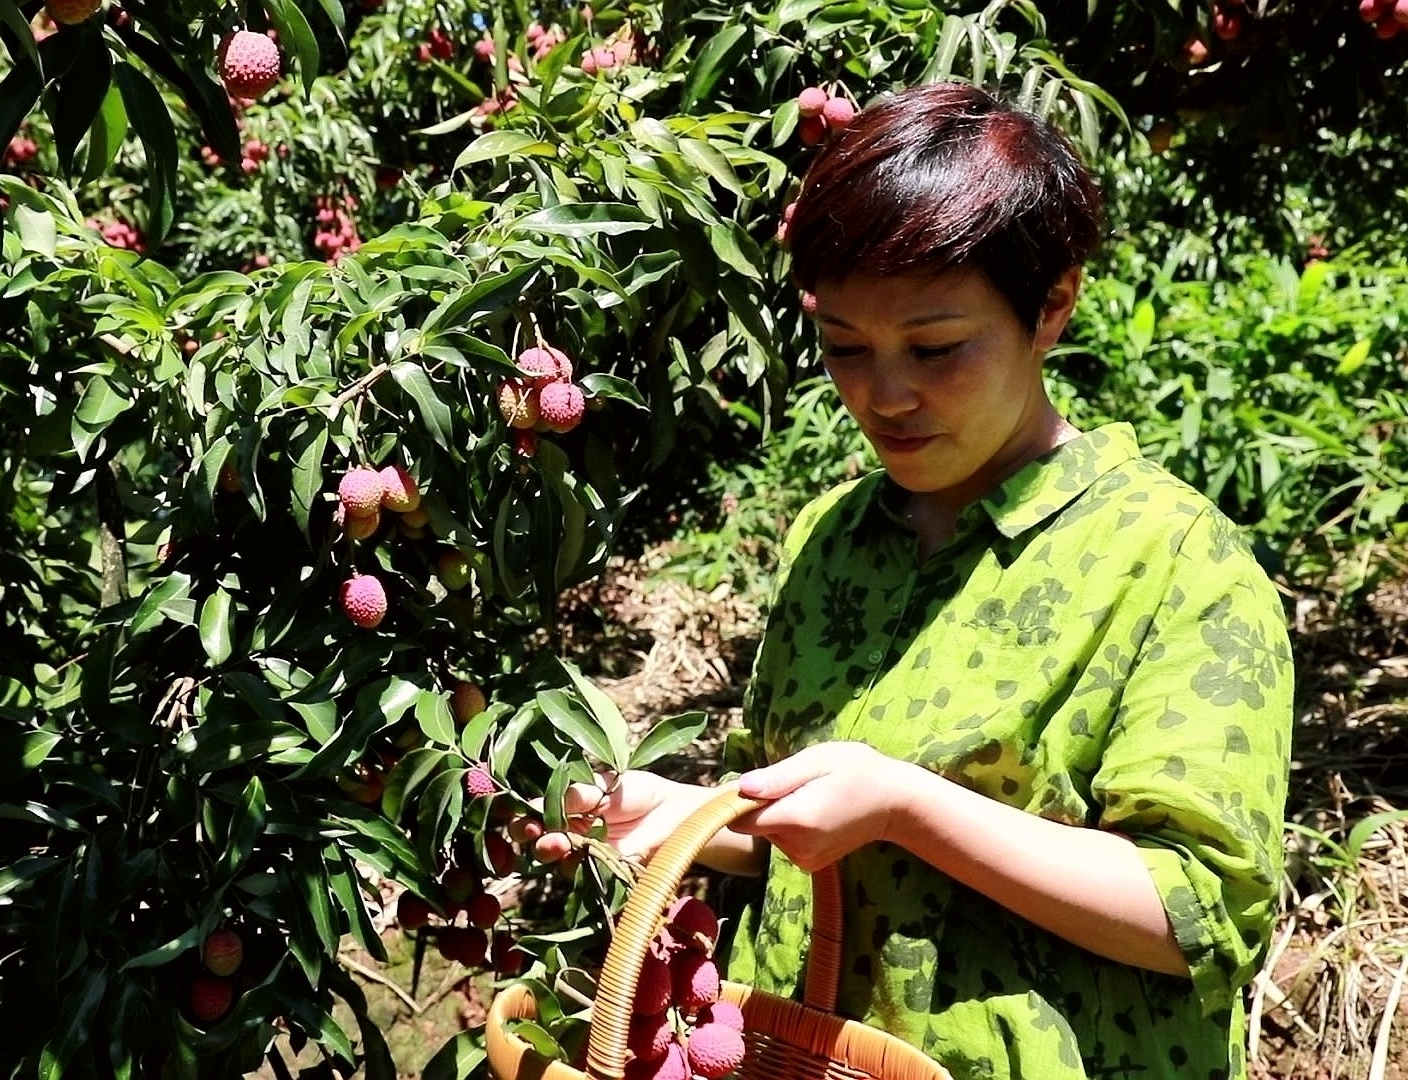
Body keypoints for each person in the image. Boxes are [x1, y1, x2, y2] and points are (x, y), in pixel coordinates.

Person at [523, 83, 1294, 1080]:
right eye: (844, 347)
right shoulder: (834, 540)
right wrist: (681, 816)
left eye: (935, 347)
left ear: (1052, 304)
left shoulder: (1173, 560)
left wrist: (908, 806)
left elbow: (1198, 912)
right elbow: (809, 841)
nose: (883, 394)